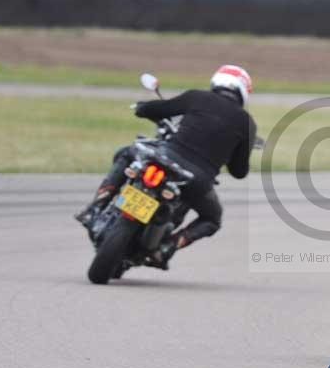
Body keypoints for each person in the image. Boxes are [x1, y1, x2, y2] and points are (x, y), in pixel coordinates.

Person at [75, 64, 257, 267]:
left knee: (126, 153)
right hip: (195, 181)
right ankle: (165, 248)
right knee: (212, 219)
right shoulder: (247, 123)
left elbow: (160, 108)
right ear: (243, 91)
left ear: (216, 82)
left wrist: (142, 108)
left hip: (165, 158)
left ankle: (95, 207)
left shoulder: (198, 97)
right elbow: (239, 172)